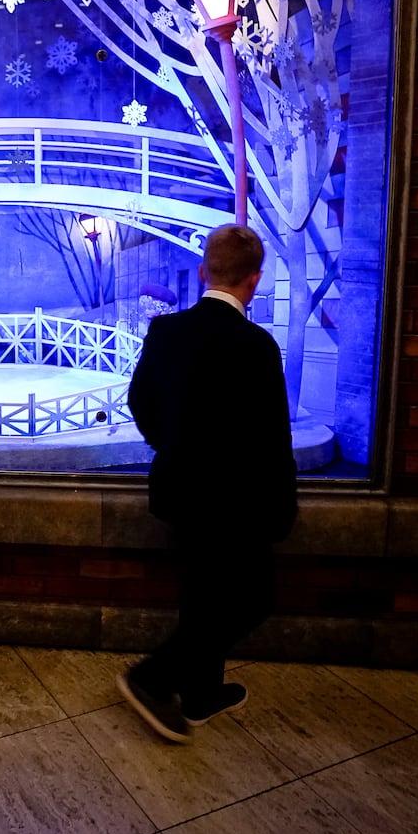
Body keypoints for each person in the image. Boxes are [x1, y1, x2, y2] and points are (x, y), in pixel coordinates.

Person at [118, 223, 298, 744]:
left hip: (179, 489)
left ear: (203, 272)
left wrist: (173, 447)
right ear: (255, 280)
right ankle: (151, 678)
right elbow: (273, 438)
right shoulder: (257, 345)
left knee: (202, 596)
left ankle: (200, 696)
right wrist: (281, 506)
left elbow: (140, 404)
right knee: (253, 599)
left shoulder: (166, 332)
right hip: (237, 501)